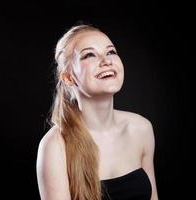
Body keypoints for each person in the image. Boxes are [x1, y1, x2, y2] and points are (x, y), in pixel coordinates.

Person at [36, 24, 159, 200]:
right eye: (89, 55)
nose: (106, 60)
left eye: (111, 52)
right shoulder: (55, 146)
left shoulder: (141, 129)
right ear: (68, 77)